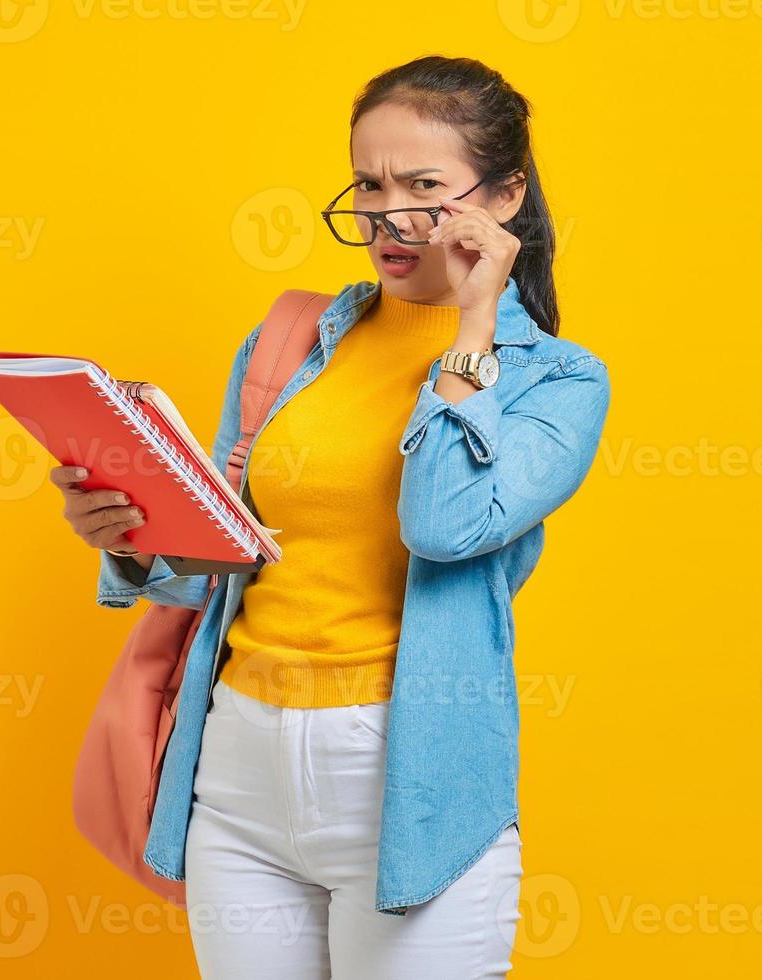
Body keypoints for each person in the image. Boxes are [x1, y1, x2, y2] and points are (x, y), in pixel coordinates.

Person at [53, 54, 611, 980]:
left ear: (504, 196)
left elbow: (442, 523)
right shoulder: (291, 341)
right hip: (236, 766)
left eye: (423, 187)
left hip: (405, 776)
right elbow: (224, 559)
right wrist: (133, 530)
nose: (386, 217)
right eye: (368, 183)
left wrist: (471, 334)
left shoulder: (558, 380)